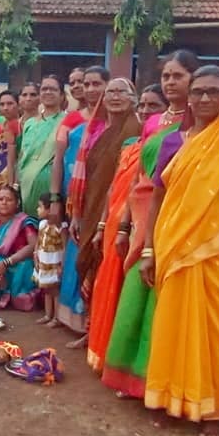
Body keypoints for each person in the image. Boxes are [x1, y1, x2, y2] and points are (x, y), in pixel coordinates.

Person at [139, 66, 219, 433]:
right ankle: (170, 399)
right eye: (198, 91)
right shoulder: (173, 143)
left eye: (214, 91)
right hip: (175, 246)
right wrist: (148, 250)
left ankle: (214, 407)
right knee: (172, 325)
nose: (204, 98)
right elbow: (157, 198)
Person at [102, 52, 196, 399]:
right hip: (144, 218)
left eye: (178, 76)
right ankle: (131, 378)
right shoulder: (154, 122)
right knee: (136, 293)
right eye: (166, 76)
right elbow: (138, 177)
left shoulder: (203, 125)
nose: (170, 82)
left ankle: (160, 379)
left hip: (180, 219)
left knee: (164, 299)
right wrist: (125, 224)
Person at [89, 84, 169, 373]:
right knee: (107, 282)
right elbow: (114, 187)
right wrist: (104, 225)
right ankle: (101, 347)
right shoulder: (131, 144)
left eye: (153, 106)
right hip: (120, 222)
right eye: (143, 105)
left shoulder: (173, 142)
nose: (146, 111)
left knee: (131, 291)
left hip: (149, 225)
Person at [70, 77, 142, 349]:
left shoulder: (137, 129)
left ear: (132, 98)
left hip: (120, 210)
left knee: (109, 269)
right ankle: (92, 329)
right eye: (111, 92)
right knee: (88, 262)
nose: (115, 97)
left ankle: (107, 336)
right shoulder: (100, 131)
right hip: (94, 206)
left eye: (122, 92)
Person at [57, 66, 109, 335]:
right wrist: (56, 197)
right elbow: (60, 158)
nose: (89, 89)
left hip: (104, 200)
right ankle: (74, 319)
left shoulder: (117, 122)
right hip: (77, 199)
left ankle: (94, 325)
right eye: (85, 84)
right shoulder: (74, 119)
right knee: (76, 255)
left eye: (96, 84)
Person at [14, 75, 65, 214]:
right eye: (44, 89)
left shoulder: (67, 121)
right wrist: (16, 185)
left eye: (53, 89)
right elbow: (22, 156)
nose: (48, 92)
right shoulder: (29, 123)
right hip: (25, 186)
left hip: (52, 189)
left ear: (61, 95)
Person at [35, 193, 64, 324]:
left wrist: (62, 265)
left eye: (40, 207)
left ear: (50, 209)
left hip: (54, 263)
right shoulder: (42, 224)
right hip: (44, 262)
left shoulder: (61, 227)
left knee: (55, 291)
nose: (37, 209)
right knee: (47, 289)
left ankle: (56, 318)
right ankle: (48, 315)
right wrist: (36, 256)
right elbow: (38, 242)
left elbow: (64, 246)